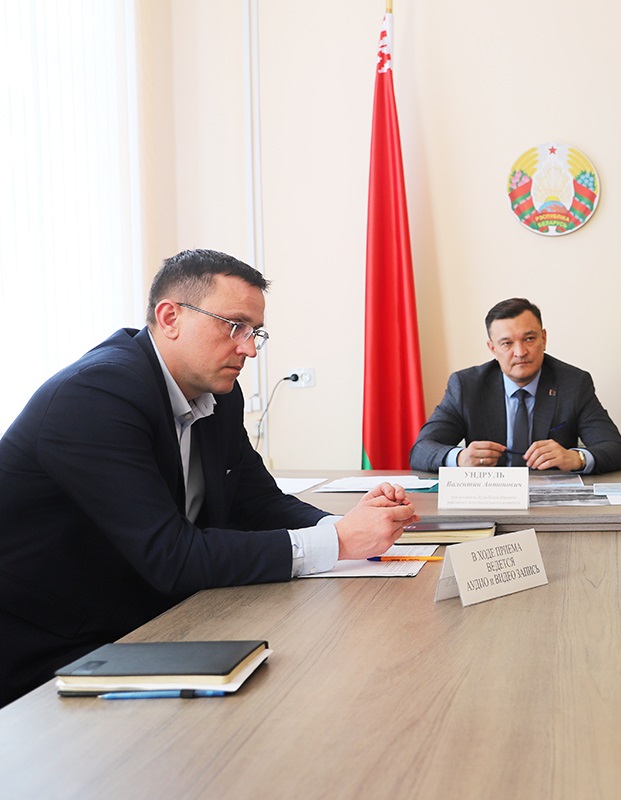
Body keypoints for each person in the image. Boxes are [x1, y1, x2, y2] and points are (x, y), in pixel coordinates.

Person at [0, 249, 418, 708]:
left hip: (153, 618)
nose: (249, 349)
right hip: (53, 650)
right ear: (170, 317)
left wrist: (347, 526)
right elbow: (171, 556)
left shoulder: (219, 393)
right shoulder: (96, 394)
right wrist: (338, 542)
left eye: (255, 331)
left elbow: (258, 502)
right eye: (234, 325)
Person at [409, 297, 621, 473]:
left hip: (552, 503)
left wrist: (576, 458)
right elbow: (420, 450)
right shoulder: (466, 386)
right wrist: (459, 458)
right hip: (488, 499)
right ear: (493, 348)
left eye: (529, 339)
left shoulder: (573, 383)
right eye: (506, 343)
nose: (520, 352)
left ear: (544, 338)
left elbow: (616, 450)